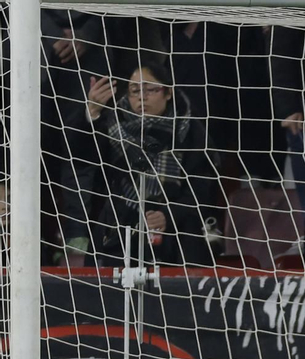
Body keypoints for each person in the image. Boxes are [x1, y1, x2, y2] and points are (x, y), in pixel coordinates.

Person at [59, 61, 218, 268]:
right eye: (135, 90)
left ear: (168, 93)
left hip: (177, 239)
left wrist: (168, 215)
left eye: (150, 89)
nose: (142, 97)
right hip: (118, 234)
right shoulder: (111, 122)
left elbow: (203, 189)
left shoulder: (190, 130)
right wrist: (93, 111)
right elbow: (81, 158)